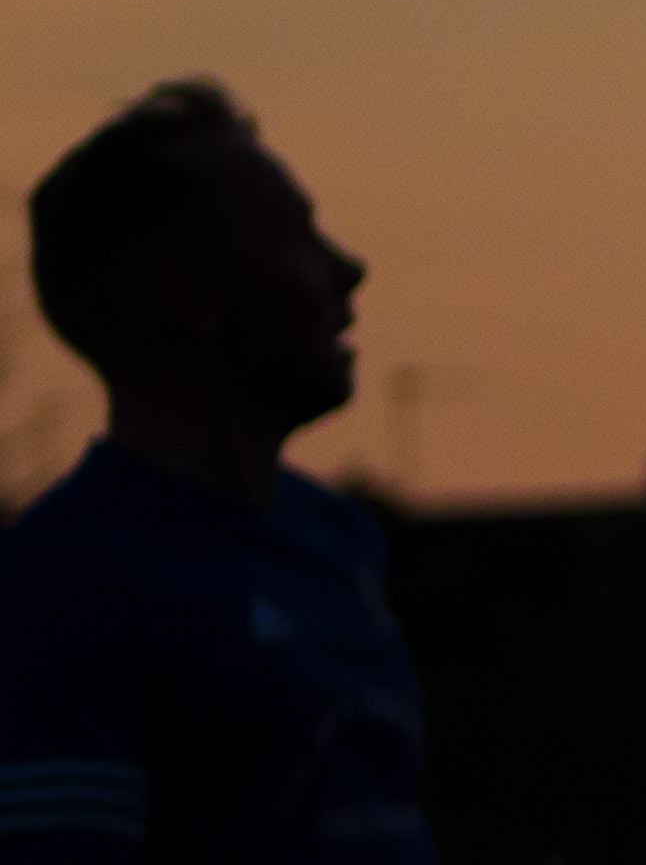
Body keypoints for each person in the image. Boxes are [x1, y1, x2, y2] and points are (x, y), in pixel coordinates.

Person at [0, 81, 430, 863]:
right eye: (299, 238)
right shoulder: (62, 586)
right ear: (196, 300)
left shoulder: (344, 542)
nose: (348, 269)